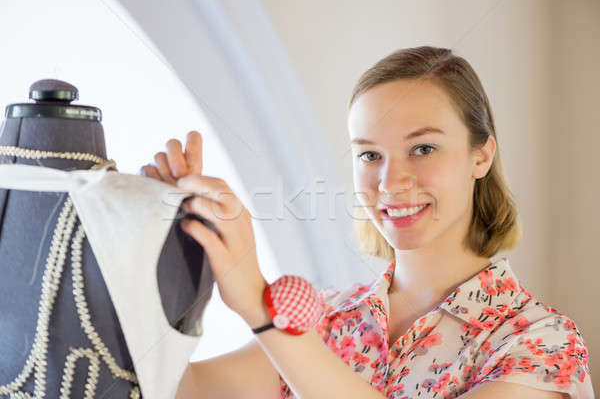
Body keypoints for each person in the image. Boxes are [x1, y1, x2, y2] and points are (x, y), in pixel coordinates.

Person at [140, 46, 593, 399]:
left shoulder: (539, 341)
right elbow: (179, 390)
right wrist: (168, 262)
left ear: (482, 155)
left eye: (423, 148)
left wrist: (260, 309)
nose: (390, 181)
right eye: (370, 155)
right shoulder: (326, 320)